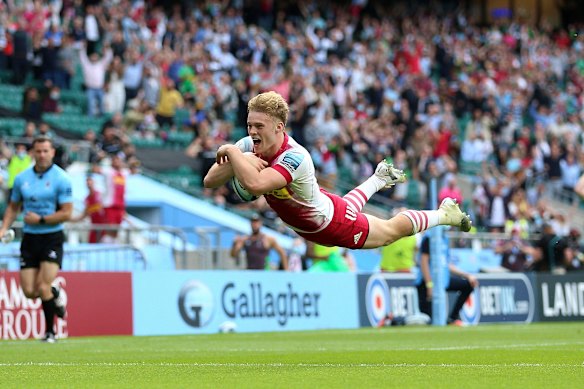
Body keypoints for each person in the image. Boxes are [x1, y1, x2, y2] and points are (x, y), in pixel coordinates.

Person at [204, 91, 471, 252]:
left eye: (259, 125)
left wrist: (233, 152)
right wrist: (238, 156)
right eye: (250, 125)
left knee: (390, 232)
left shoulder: (295, 157)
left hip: (331, 225)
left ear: (279, 127)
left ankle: (443, 214)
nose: (252, 131)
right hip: (321, 208)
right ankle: (378, 178)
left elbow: (255, 185)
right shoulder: (248, 145)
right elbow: (209, 180)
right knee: (346, 206)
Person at [0, 136, 73, 343]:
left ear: (52, 153)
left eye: (45, 151)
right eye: (38, 151)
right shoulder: (22, 179)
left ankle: (50, 332)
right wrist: (4, 227)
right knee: (30, 292)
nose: (42, 155)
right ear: (33, 153)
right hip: (30, 239)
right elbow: (14, 207)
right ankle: (54, 292)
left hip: (52, 237)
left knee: (42, 286)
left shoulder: (61, 178)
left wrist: (41, 219)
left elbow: (67, 213)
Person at [416, 231, 479, 326]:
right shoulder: (429, 238)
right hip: (426, 282)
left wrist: (467, 275)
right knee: (429, 320)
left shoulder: (445, 238)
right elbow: (424, 262)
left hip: (442, 280)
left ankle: (452, 318)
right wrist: (429, 284)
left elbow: (446, 263)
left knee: (468, 285)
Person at [71, 175, 106, 243]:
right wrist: (70, 219)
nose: (89, 183)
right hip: (94, 227)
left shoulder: (100, 195)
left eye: (90, 181)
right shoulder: (86, 199)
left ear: (94, 182)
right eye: (87, 182)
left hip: (104, 227)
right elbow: (84, 215)